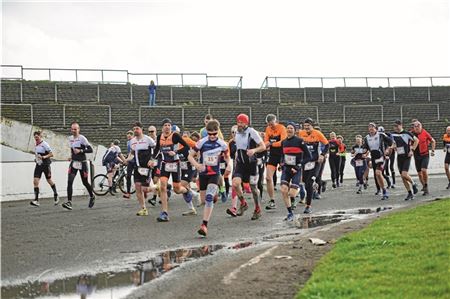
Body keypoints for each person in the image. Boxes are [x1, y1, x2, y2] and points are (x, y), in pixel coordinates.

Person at [188, 119, 231, 237]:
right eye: (210, 134)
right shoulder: (201, 142)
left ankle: (204, 225)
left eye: (214, 134)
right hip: (203, 174)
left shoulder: (222, 144)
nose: (212, 136)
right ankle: (214, 194)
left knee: (208, 198)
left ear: (218, 132)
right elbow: (190, 156)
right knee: (203, 201)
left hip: (214, 173)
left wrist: (229, 166)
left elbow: (228, 157)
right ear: (207, 132)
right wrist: (197, 165)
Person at [227, 113, 266, 220]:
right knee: (235, 184)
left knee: (253, 188)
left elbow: (263, 146)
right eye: (238, 122)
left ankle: (257, 209)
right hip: (240, 163)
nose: (239, 124)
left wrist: (254, 150)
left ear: (246, 123)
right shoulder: (236, 132)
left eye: (242, 123)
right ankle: (243, 203)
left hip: (252, 164)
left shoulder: (252, 132)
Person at [153, 118, 192, 222]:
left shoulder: (175, 136)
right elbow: (157, 149)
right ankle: (164, 212)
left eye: (169, 125)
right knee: (163, 186)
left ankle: (187, 191)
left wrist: (176, 153)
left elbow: (187, 147)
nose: (167, 127)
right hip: (165, 164)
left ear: (171, 127)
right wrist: (152, 159)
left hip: (175, 164)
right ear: (162, 127)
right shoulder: (159, 137)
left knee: (177, 189)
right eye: (165, 125)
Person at [280, 122, 311, 221]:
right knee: (284, 190)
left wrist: (298, 166)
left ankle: (300, 188)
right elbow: (282, 155)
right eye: (287, 128)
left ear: (295, 130)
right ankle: (290, 213)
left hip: (296, 170)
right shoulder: (283, 142)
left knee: (292, 194)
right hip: (286, 169)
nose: (289, 130)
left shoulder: (299, 141)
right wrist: (281, 163)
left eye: (291, 128)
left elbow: (308, 156)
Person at [62, 122, 95, 210]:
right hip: (74, 163)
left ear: (78, 129)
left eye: (75, 129)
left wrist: (80, 151)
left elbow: (90, 150)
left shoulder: (82, 138)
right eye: (72, 129)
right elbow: (72, 149)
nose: (73, 131)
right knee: (69, 181)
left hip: (83, 163)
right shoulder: (70, 139)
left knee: (85, 182)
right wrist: (71, 156)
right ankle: (69, 202)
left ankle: (92, 196)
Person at [298, 118, 329, 214]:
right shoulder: (301, 133)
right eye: (305, 126)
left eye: (308, 126)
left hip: (315, 161)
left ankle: (308, 206)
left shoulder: (317, 133)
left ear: (312, 126)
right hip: (305, 162)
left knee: (309, 182)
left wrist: (322, 155)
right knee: (305, 182)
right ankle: (315, 186)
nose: (306, 128)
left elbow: (327, 145)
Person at [126, 121, 157, 216]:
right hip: (137, 167)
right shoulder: (132, 141)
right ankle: (143, 208)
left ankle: (159, 186)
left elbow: (156, 149)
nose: (135, 130)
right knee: (138, 187)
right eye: (134, 129)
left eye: (137, 129)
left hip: (147, 167)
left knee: (145, 189)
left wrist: (152, 160)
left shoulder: (148, 139)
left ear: (141, 129)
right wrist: (126, 160)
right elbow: (132, 152)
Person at [363, 122, 393, 200]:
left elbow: (391, 143)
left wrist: (387, 150)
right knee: (377, 175)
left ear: (375, 128)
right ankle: (381, 189)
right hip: (373, 158)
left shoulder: (381, 135)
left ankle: (384, 191)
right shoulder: (366, 138)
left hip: (381, 157)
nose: (371, 130)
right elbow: (365, 147)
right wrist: (364, 152)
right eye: (369, 129)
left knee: (378, 173)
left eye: (372, 128)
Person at [263, 114, 287, 210]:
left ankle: (291, 197)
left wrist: (271, 144)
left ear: (275, 121)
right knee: (268, 178)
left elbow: (283, 142)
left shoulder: (281, 128)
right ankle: (272, 200)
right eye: (269, 124)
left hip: (282, 154)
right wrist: (269, 144)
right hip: (273, 155)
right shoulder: (268, 129)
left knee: (286, 177)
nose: (271, 126)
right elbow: (265, 142)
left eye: (272, 124)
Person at [391, 119, 419, 200]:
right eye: (394, 126)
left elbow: (417, 140)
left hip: (407, 156)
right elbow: (392, 143)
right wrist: (393, 146)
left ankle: (414, 184)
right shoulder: (393, 134)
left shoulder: (407, 133)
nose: (395, 128)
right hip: (399, 157)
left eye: (397, 126)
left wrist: (412, 150)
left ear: (401, 125)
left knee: (404, 174)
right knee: (403, 177)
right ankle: (410, 193)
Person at [30, 131, 59, 207]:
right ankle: (36, 200)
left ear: (40, 137)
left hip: (46, 165)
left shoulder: (45, 144)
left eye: (37, 137)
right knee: (35, 181)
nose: (36, 139)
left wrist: (44, 157)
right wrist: (36, 159)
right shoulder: (36, 145)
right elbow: (37, 154)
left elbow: (51, 154)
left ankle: (56, 194)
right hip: (39, 165)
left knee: (49, 180)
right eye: (35, 137)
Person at [412, 121, 436, 195]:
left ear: (421, 126)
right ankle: (424, 186)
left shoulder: (425, 133)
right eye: (415, 126)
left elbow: (433, 141)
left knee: (423, 170)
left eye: (418, 126)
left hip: (425, 154)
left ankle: (426, 185)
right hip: (416, 155)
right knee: (419, 173)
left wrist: (432, 150)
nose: (417, 128)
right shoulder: (411, 134)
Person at [123, 130, 135, 199]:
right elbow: (129, 152)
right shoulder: (128, 142)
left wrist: (126, 160)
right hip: (130, 162)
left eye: (130, 134)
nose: (129, 135)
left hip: (135, 161)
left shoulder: (134, 142)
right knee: (128, 176)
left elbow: (132, 152)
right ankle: (128, 192)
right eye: (128, 134)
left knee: (138, 177)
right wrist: (127, 157)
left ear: (133, 136)